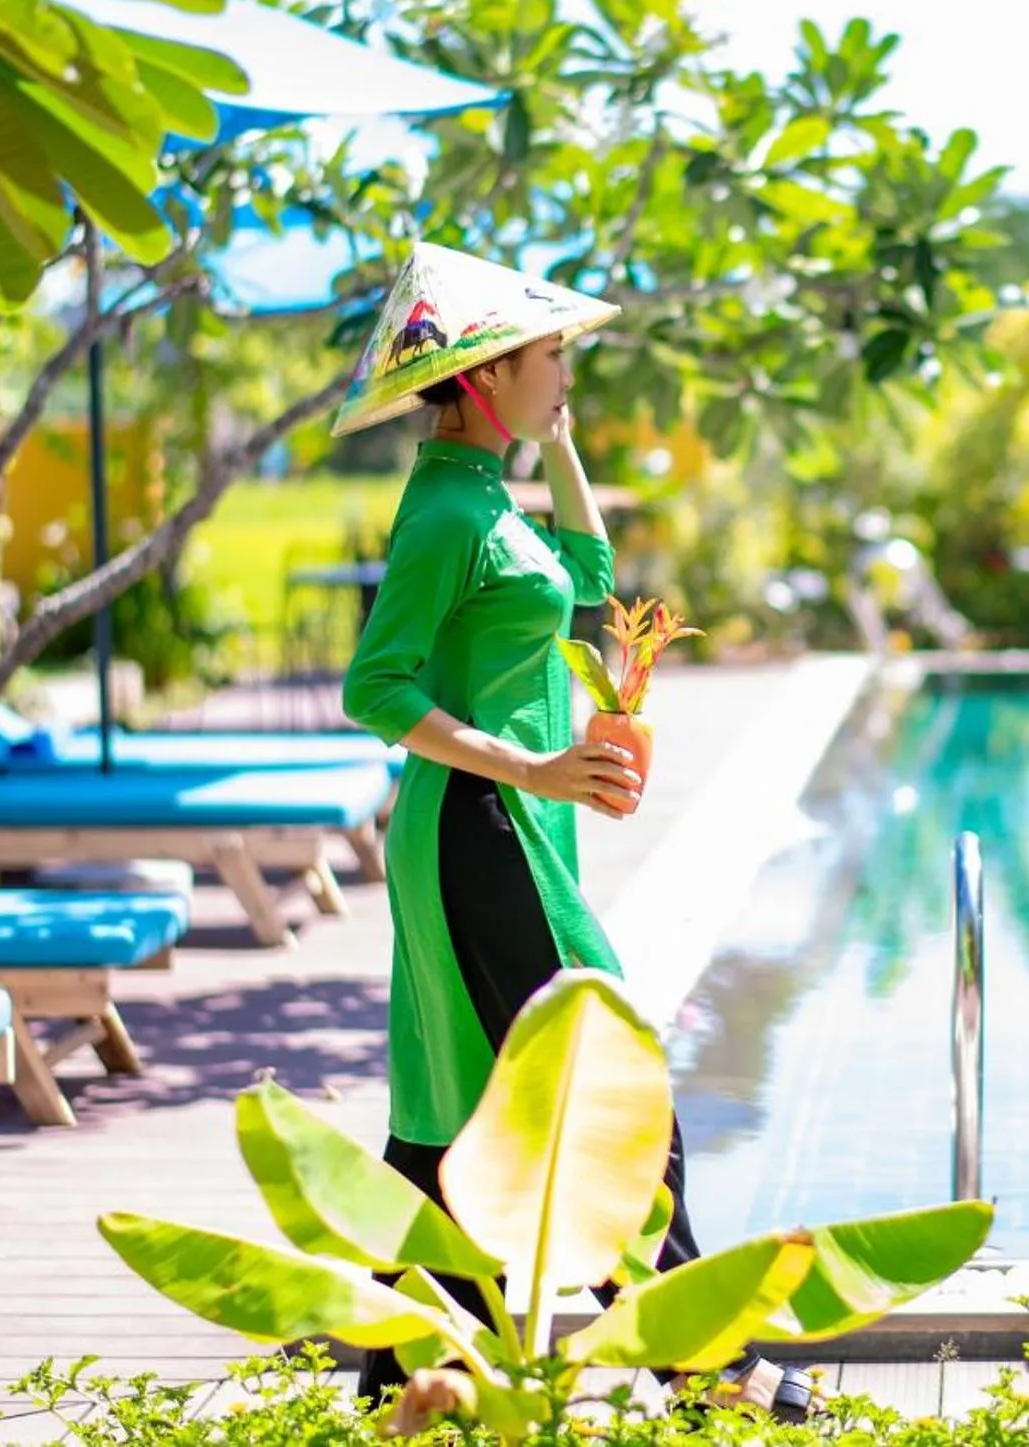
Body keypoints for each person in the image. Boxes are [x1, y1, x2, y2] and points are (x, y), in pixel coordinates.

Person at [333, 246, 812, 1420]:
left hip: (513, 825)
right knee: (610, 1080)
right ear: (484, 373)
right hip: (475, 827)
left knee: (458, 1102)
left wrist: (557, 446)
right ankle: (706, 1363)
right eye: (550, 355)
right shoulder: (447, 511)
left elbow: (587, 578)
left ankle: (400, 1384)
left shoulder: (489, 496)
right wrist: (534, 767)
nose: (567, 371)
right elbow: (375, 686)